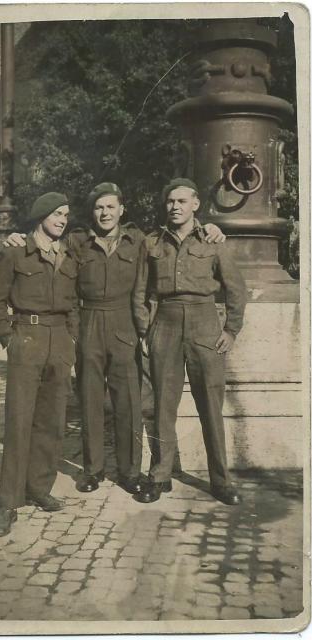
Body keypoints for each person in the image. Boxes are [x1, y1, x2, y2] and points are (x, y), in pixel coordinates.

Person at [4, 183, 225, 496]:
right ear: (92, 212)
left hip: (124, 326)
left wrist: (212, 228)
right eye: (98, 207)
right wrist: (16, 236)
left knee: (128, 404)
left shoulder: (139, 240)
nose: (104, 213)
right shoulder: (77, 240)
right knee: (91, 401)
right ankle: (93, 470)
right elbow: (43, 241)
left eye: (110, 207)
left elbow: (178, 239)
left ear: (122, 210)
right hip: (89, 325)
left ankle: (129, 471)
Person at [133, 178, 246, 505]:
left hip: (204, 322)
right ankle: (159, 476)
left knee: (210, 406)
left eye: (182, 201)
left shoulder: (212, 240)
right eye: (170, 201)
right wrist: (144, 331)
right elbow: (140, 291)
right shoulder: (152, 242)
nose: (175, 206)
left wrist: (230, 331)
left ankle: (221, 481)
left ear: (196, 205)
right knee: (161, 407)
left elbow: (236, 289)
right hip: (164, 323)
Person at [0, 192, 79, 536]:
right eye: (57, 214)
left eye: (66, 215)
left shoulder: (68, 253)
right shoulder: (15, 251)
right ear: (41, 215)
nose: (63, 219)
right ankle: (7, 504)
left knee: (52, 422)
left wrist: (72, 339)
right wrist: (9, 337)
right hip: (27, 336)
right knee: (19, 422)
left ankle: (39, 487)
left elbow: (74, 303)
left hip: (59, 342)